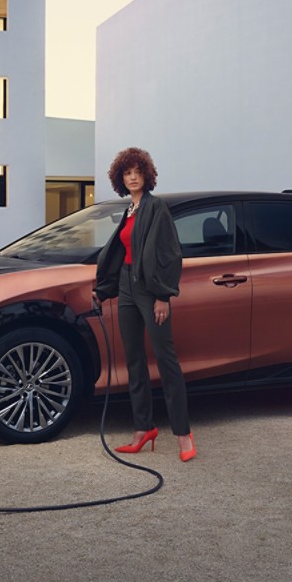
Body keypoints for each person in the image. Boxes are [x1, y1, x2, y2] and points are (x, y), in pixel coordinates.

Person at [94, 147, 196, 462]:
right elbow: (121, 253)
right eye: (127, 173)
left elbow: (168, 253)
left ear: (147, 175)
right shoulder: (129, 210)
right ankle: (143, 429)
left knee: (166, 361)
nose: (133, 177)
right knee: (134, 360)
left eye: (138, 171)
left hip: (149, 290)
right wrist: (105, 287)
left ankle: (183, 434)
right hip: (126, 288)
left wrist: (163, 296)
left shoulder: (156, 208)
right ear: (120, 178)